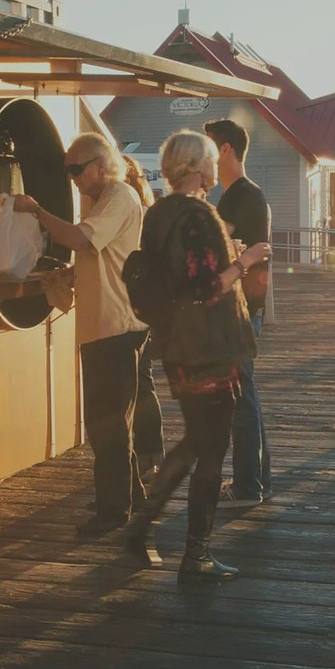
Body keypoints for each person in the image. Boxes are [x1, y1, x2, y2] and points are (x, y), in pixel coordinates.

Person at [128, 131, 269, 581]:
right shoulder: (200, 215)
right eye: (209, 160)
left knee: (193, 440)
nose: (215, 167)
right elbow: (206, 288)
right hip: (210, 347)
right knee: (211, 450)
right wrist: (245, 261)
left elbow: (176, 275)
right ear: (197, 166)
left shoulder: (159, 213)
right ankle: (197, 554)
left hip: (176, 345)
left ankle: (142, 524)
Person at [9, 133, 146, 539]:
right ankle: (128, 495)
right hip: (104, 326)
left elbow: (80, 239)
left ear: (100, 166)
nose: (72, 178)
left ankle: (112, 511)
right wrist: (70, 275)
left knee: (107, 425)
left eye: (77, 169)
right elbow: (100, 255)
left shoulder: (118, 196)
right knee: (112, 422)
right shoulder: (99, 200)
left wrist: (37, 210)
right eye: (67, 170)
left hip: (115, 326)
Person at [204, 117, 272, 512]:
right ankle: (258, 479)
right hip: (248, 308)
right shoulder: (246, 194)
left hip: (240, 310)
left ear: (226, 149)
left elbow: (215, 248)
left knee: (241, 397)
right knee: (247, 394)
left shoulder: (239, 197)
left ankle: (248, 486)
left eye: (209, 148)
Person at [123, 153, 165, 490]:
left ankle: (146, 454)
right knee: (144, 380)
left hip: (133, 306)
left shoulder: (127, 210)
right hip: (148, 305)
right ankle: (152, 453)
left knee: (138, 383)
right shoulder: (147, 210)